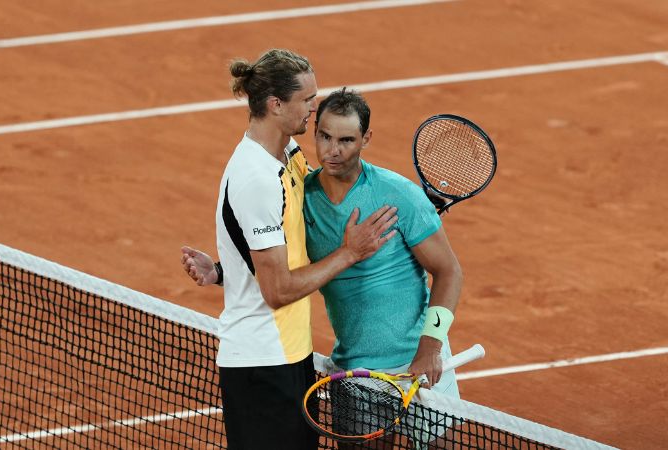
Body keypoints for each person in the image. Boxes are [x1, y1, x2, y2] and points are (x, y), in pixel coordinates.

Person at [183, 88, 462, 447]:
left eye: (346, 140)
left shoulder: (399, 195)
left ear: (366, 139)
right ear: (314, 132)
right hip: (357, 374)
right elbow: (283, 268)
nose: (333, 150)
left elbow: (450, 271)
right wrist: (222, 273)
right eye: (325, 136)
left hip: (421, 368)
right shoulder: (303, 198)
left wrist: (431, 347)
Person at [194, 49, 398, 450]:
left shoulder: (286, 153)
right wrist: (349, 253)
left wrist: (224, 269)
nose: (314, 108)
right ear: (275, 104)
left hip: (290, 356)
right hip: (262, 364)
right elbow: (278, 290)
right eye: (307, 99)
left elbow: (286, 238)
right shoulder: (256, 178)